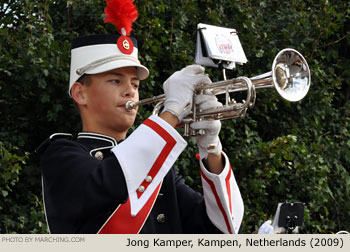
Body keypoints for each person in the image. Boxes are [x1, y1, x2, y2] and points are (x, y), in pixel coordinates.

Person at [36, 0, 244, 234]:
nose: (130, 91)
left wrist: (211, 150)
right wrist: (172, 111)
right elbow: (105, 183)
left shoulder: (158, 167)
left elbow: (222, 231)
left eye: (135, 84)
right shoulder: (60, 154)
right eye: (115, 80)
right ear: (80, 93)